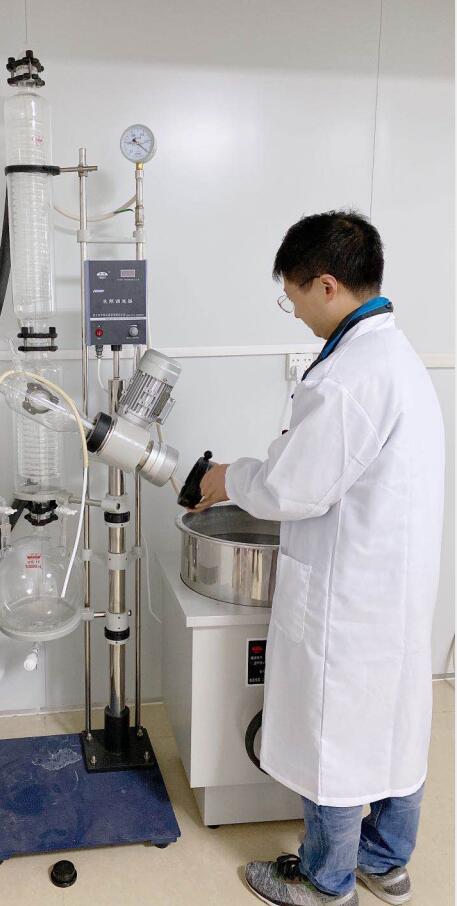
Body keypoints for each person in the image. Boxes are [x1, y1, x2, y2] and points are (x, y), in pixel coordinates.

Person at [195, 211, 444, 905]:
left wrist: (229, 477)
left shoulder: (348, 378)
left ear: (326, 285)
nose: (296, 311)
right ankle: (385, 862)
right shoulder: (395, 358)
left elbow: (291, 489)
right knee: (392, 726)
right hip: (394, 585)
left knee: (335, 734)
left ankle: (326, 880)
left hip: (350, 592)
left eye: (294, 296)